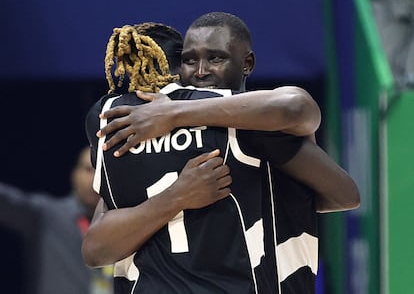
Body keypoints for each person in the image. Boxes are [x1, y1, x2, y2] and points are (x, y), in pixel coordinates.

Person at [83, 15, 359, 294]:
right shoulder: (249, 130)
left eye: (215, 58)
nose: (201, 71)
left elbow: (95, 250)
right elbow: (346, 194)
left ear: (247, 63)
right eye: (191, 61)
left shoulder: (118, 127)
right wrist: (177, 196)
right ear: (177, 69)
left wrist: (173, 114)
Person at [0, 146, 114, 294]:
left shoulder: (123, 225)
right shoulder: (47, 215)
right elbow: (6, 201)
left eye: (102, 172)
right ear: (74, 174)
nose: (94, 179)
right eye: (88, 170)